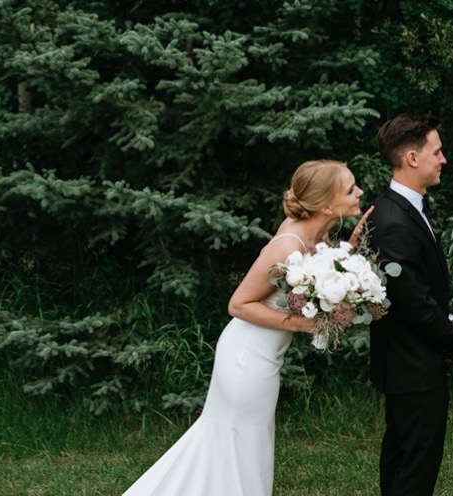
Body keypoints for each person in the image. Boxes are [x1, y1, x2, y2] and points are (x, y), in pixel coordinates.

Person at [124, 160, 372, 495]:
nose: (359, 193)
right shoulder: (289, 244)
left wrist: (348, 256)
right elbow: (239, 304)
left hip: (265, 357)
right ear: (327, 205)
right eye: (350, 189)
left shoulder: (319, 232)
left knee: (244, 443)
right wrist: (304, 324)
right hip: (247, 358)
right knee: (240, 444)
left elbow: (320, 280)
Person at [365, 114, 453, 496]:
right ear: (412, 158)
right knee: (414, 467)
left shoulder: (403, 208)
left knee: (403, 459)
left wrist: (449, 318)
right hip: (413, 365)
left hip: (410, 362)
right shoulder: (393, 220)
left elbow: (421, 288)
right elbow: (411, 300)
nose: (443, 159)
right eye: (436, 151)